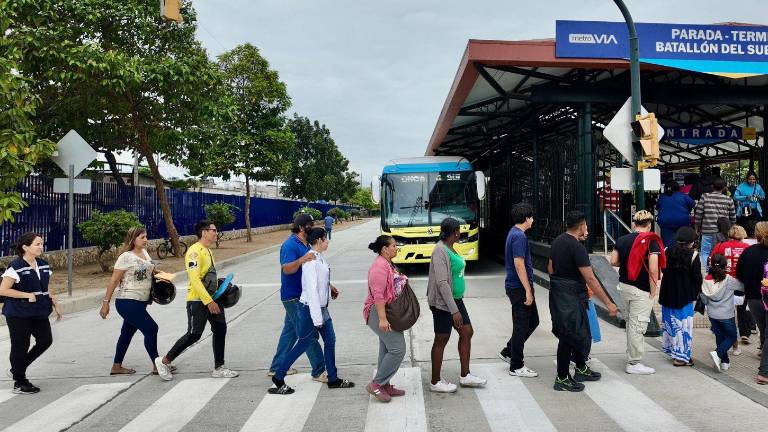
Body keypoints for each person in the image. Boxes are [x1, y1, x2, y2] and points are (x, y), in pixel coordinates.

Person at [269, 228, 354, 394]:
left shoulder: (318, 257)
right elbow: (312, 290)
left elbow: (322, 283)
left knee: (330, 340)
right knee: (303, 344)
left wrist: (330, 292)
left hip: (320, 309)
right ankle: (278, 377)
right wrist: (316, 319)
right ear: (320, 240)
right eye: (326, 239)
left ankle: (333, 378)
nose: (328, 242)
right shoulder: (310, 261)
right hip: (310, 309)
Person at [548, 211, 618, 392]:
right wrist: (609, 302)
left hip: (558, 293)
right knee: (568, 336)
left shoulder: (557, 241)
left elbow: (550, 268)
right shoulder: (577, 248)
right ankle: (562, 378)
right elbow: (591, 279)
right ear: (581, 227)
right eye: (585, 225)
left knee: (581, 332)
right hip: (571, 296)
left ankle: (581, 368)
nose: (587, 228)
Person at [160, 220, 238, 378]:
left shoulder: (207, 250)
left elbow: (207, 276)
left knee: (220, 329)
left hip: (213, 298)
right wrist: (208, 302)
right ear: (204, 232)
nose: (216, 233)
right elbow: (194, 279)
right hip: (197, 300)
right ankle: (164, 362)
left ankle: (219, 367)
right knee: (194, 334)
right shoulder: (194, 252)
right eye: (214, 230)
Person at [100, 227, 172, 381]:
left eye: (146, 237)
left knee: (126, 333)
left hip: (141, 302)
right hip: (127, 301)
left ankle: (116, 366)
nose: (146, 240)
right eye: (142, 237)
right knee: (152, 328)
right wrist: (105, 303)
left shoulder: (144, 253)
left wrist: (161, 275)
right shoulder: (125, 257)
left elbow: (149, 271)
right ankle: (157, 364)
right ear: (133, 239)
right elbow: (113, 280)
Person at [427, 218, 486, 393]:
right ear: (453, 232)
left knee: (467, 332)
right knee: (441, 339)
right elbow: (442, 283)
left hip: (456, 300)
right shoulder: (439, 251)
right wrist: (454, 311)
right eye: (458, 230)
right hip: (443, 303)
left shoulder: (451, 248)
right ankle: (435, 381)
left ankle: (465, 375)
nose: (460, 233)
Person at [0, 233, 62, 394]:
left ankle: (18, 368)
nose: (41, 247)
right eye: (37, 244)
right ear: (25, 247)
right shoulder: (15, 267)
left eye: (42, 244)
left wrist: (54, 301)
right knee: (21, 346)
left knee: (45, 340)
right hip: (18, 313)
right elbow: (3, 290)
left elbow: (43, 288)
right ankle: (19, 381)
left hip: (38, 311)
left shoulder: (43, 265)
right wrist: (26, 295)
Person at [268, 214, 327, 382]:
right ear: (302, 227)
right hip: (293, 296)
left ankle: (277, 367)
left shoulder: (306, 243)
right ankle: (319, 370)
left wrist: (328, 286)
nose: (312, 228)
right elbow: (286, 269)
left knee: (290, 332)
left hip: (301, 295)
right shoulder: (290, 245)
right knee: (308, 334)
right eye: (310, 225)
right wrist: (301, 259)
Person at [610, 210, 664, 375]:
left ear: (634, 224)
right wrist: (653, 290)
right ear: (649, 225)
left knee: (631, 324)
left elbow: (613, 261)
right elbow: (654, 269)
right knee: (638, 326)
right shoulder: (651, 241)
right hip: (641, 290)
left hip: (624, 287)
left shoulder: (622, 240)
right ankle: (633, 362)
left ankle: (631, 356)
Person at [364, 235, 407, 403]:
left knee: (387, 349)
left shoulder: (387, 263)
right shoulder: (379, 267)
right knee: (398, 349)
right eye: (394, 246)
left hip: (387, 311)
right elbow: (378, 296)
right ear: (384, 249)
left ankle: (385, 385)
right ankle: (376, 384)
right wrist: (382, 319)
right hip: (378, 312)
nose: (396, 248)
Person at [499, 203, 539, 378]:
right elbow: (519, 263)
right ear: (527, 218)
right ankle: (516, 365)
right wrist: (528, 290)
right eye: (531, 217)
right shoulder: (519, 237)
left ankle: (509, 351)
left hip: (516, 286)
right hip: (519, 287)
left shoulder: (513, 233)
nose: (533, 220)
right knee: (522, 325)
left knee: (532, 321)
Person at [658, 227, 701, 366]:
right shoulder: (693, 256)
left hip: (667, 294)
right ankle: (681, 358)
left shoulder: (666, 251)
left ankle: (672, 351)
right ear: (691, 241)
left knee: (670, 324)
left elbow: (663, 269)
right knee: (684, 327)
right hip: (684, 296)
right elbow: (697, 278)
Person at [710, 224, 752, 348]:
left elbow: (711, 261)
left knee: (727, 310)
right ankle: (745, 333)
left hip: (724, 282)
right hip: (740, 282)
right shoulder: (746, 247)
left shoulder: (720, 246)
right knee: (742, 308)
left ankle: (725, 334)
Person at [700, 254, 743, 372]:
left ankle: (724, 362)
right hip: (726, 314)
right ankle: (717, 353)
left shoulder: (706, 280)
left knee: (720, 337)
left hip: (712, 314)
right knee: (732, 336)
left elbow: (704, 299)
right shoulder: (728, 280)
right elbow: (742, 287)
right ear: (725, 266)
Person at [736, 221, 768, 355]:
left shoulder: (748, 251)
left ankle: (762, 348)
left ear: (756, 234)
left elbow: (739, 274)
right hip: (763, 295)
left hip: (753, 296)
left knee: (762, 326)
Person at [695, 177, 736, 273]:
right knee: (720, 252)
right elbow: (733, 217)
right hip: (722, 232)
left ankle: (708, 272)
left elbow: (698, 214)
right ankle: (720, 271)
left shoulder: (705, 196)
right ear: (724, 187)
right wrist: (732, 228)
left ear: (712, 186)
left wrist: (697, 227)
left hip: (707, 230)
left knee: (705, 252)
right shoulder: (728, 199)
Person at [656, 180, 695, 248]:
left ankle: (669, 255)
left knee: (668, 243)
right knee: (683, 241)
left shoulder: (662, 197)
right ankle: (681, 253)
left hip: (666, 222)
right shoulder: (683, 196)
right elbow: (693, 204)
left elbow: (657, 207)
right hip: (682, 221)